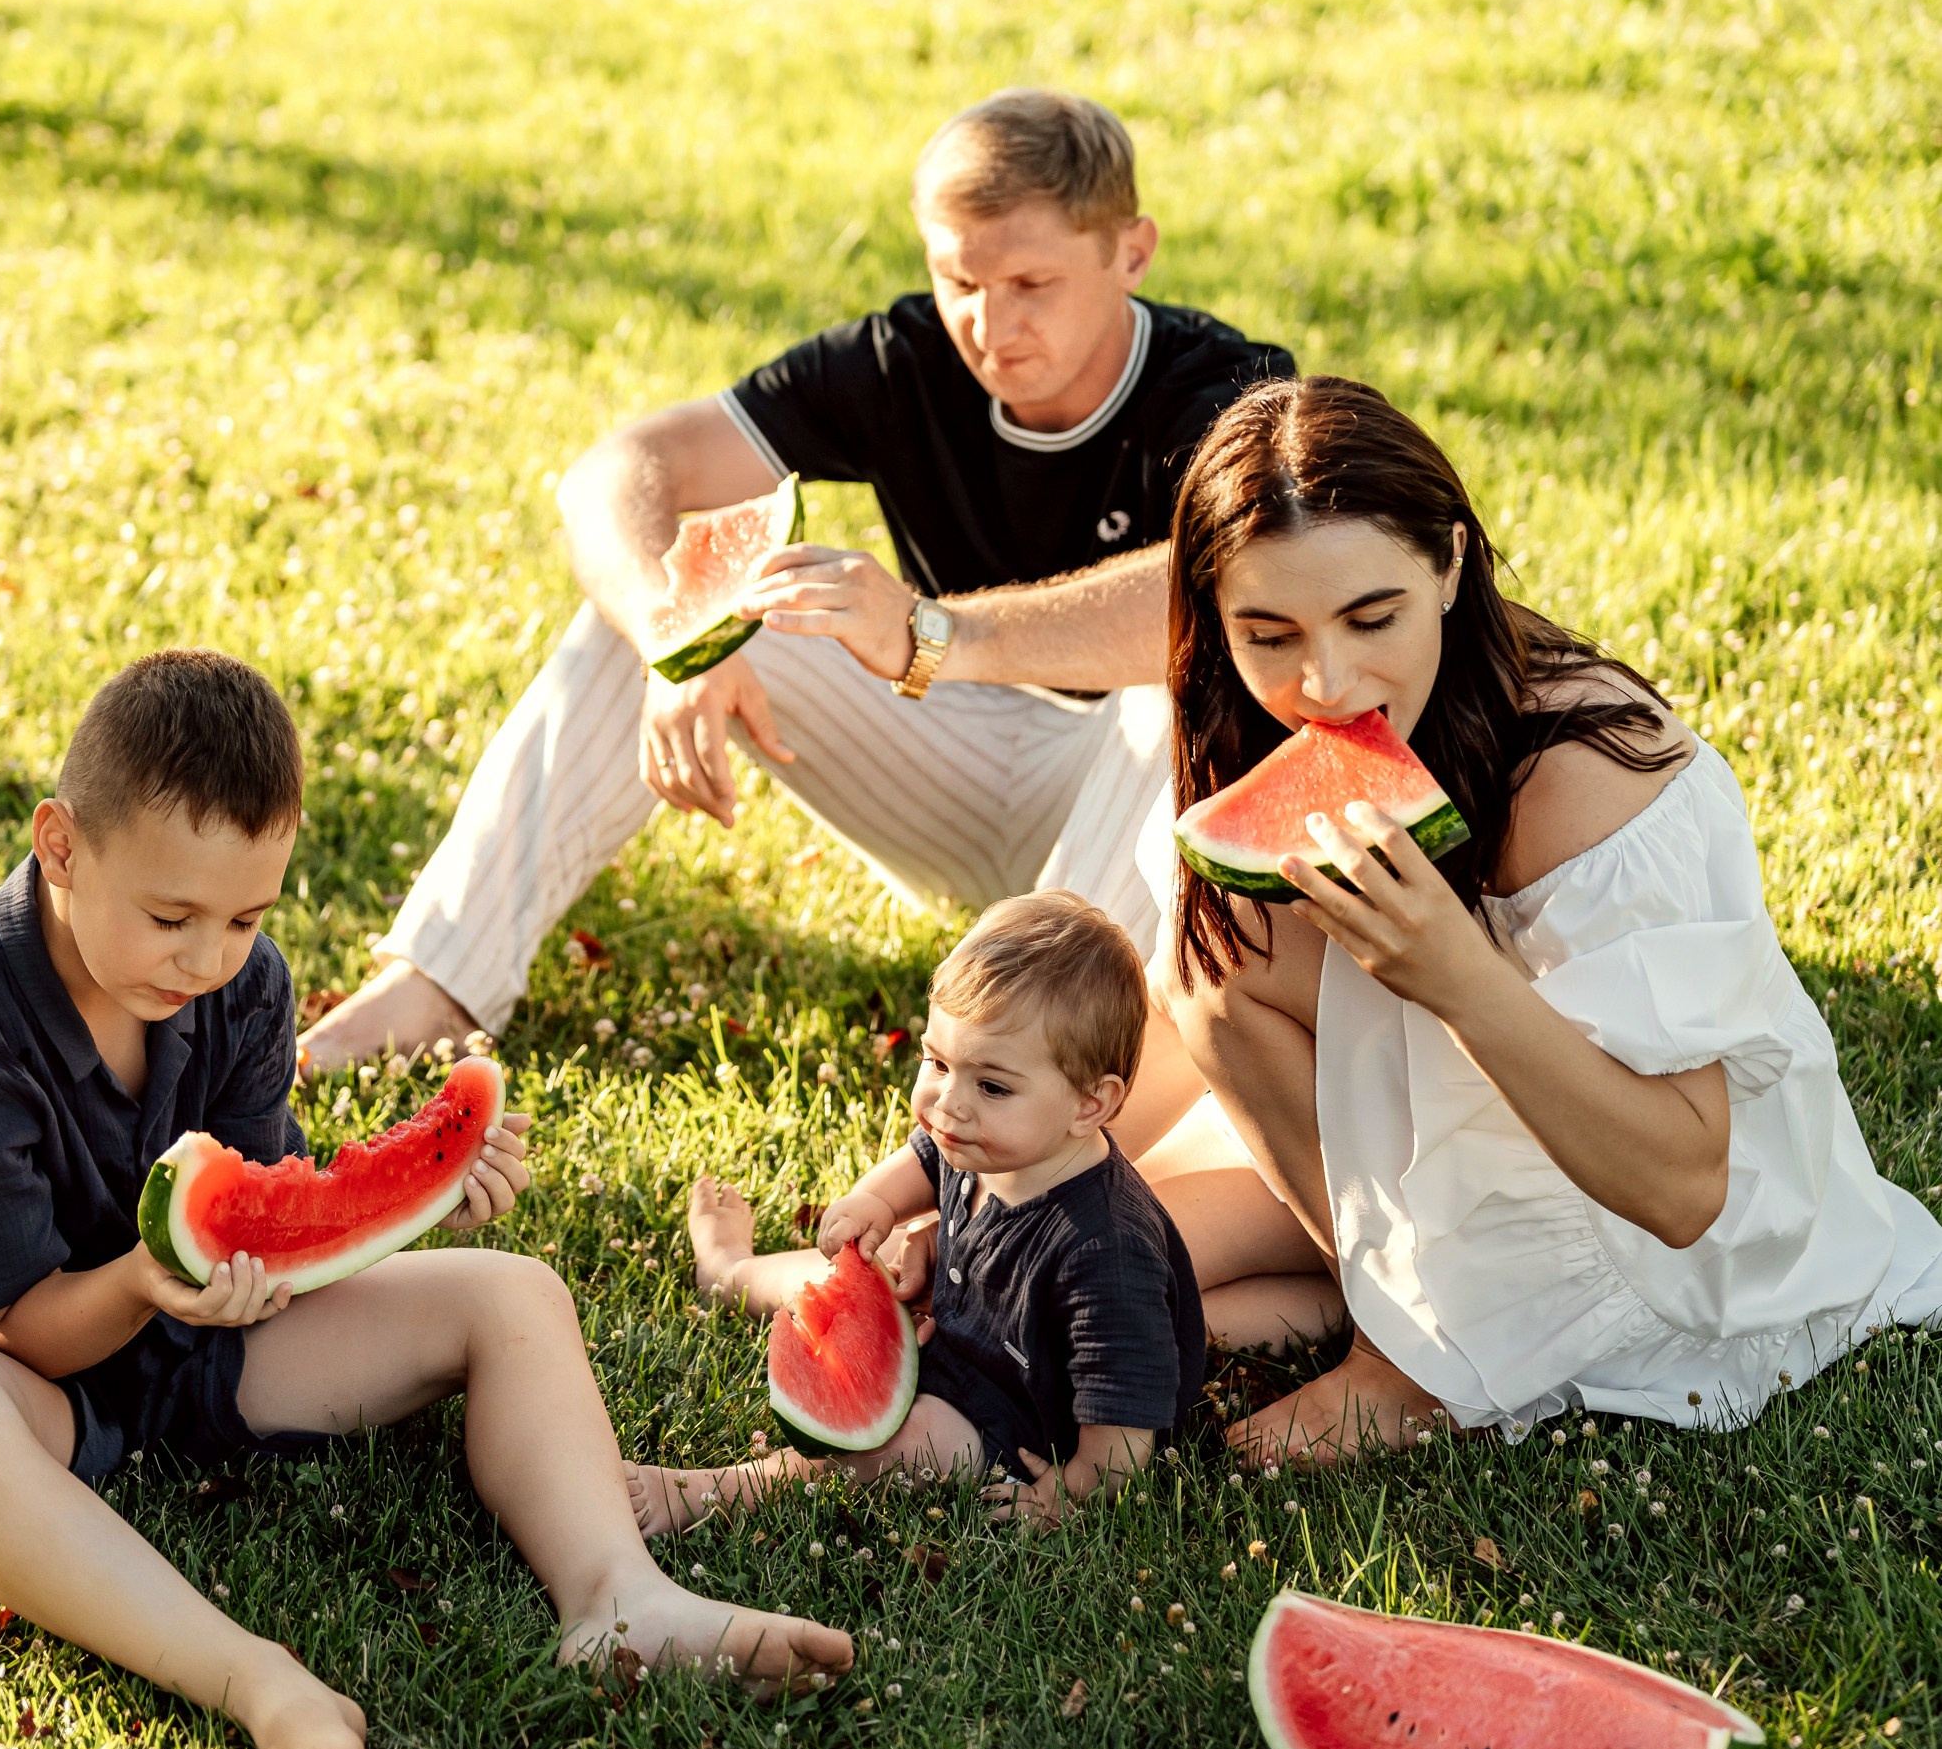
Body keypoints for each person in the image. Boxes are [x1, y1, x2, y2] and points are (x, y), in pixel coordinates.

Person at [762, 375, 1942, 1460]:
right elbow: (1192, 1003)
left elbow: (1685, 1190)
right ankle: (1380, 1294)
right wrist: (990, 1182)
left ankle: (1406, 1361)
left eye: (1371, 617)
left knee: (1119, 1238)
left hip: (1651, 1221)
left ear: (1449, 562)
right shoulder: (1242, 704)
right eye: (1267, 634)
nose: (1322, 685)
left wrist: (1456, 973)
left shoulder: (1588, 774)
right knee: (1119, 1148)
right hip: (1425, 1137)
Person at [0, 648, 853, 1749]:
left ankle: (619, 1595)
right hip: (9, 1369)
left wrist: (415, 1204)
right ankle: (256, 1679)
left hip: (205, 1338)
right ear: (61, 845)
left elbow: (274, 1226)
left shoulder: (242, 986)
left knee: (511, 1291)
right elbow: (24, 1328)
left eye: (245, 916)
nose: (207, 957)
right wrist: (146, 1280)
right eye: (170, 917)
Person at [299, 91, 1291, 1074]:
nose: (990, 325)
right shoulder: (905, 358)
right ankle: (440, 983)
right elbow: (616, 469)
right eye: (959, 279)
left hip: (1140, 800)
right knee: (670, 597)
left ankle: (1037, 1077)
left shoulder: (1229, 386)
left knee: (1183, 671)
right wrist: (675, 638)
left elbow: (1246, 588)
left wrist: (931, 633)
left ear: (1130, 252)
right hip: (950, 765)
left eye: (1031, 281)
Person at [629, 893, 1205, 1533]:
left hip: (1019, 1424)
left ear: (1091, 1105)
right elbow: (924, 1160)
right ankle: (727, 1269)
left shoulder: (1105, 1250)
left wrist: (1072, 1495)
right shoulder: (988, 1139)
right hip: (955, 1344)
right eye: (937, 1062)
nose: (947, 1102)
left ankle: (713, 1492)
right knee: (843, 1284)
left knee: (902, 1441)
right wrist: (874, 1201)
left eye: (991, 1085)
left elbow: (1125, 1424)